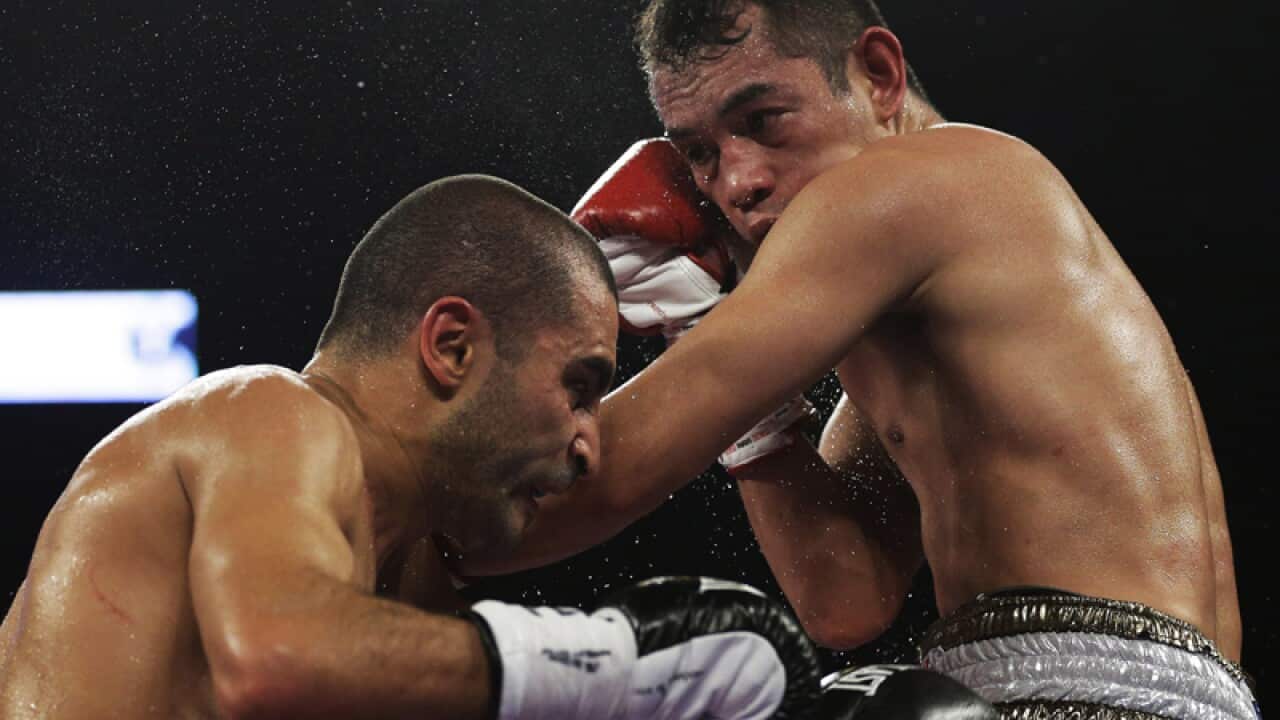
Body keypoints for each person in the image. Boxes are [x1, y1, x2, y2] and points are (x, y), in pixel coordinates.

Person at [459, 2, 1260, 717]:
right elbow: (845, 597)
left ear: (878, 75)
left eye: (764, 120)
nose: (737, 182)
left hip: (1076, 694)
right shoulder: (944, 315)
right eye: (699, 153)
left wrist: (412, 519)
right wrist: (704, 338)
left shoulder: (909, 186)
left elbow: (617, 470)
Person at [0, 175, 827, 720]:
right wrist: (613, 660)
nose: (590, 445)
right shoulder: (266, 411)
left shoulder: (401, 587)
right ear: (453, 347)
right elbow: (276, 661)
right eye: (578, 387)